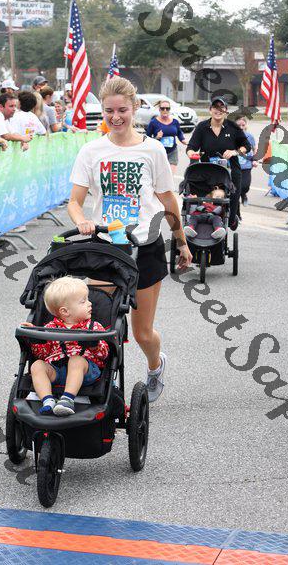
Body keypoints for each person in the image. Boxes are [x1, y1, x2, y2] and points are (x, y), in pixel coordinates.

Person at [67, 76, 192, 403]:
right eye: (109, 111)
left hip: (145, 245)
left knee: (142, 333)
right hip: (106, 245)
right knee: (99, 323)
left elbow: (167, 200)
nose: (116, 117)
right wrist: (81, 221)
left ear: (134, 108)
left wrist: (181, 241)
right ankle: (98, 383)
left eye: (122, 110)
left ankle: (155, 366)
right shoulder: (92, 150)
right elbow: (75, 202)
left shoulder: (152, 150)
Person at [22, 277, 109, 416]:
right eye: (83, 301)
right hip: (57, 370)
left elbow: (105, 354)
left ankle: (67, 399)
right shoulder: (50, 328)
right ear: (65, 311)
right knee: (37, 365)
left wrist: (95, 345)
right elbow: (42, 354)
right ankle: (47, 400)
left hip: (86, 371)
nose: (90, 303)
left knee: (76, 360)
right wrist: (36, 339)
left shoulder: (93, 327)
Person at [186, 97, 251, 230]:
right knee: (204, 199)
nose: (218, 110)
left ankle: (232, 218)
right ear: (210, 110)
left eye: (222, 107)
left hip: (230, 171)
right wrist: (192, 154)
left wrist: (234, 152)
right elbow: (191, 147)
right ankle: (202, 222)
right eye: (215, 107)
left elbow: (247, 146)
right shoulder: (202, 127)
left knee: (232, 199)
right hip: (208, 171)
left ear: (226, 110)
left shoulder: (232, 127)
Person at [146, 99, 188, 174]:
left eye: (167, 108)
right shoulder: (153, 122)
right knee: (161, 175)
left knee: (170, 175)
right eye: (162, 108)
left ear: (169, 109)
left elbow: (179, 133)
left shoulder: (175, 122)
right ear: (159, 109)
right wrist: (157, 137)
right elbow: (147, 138)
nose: (165, 110)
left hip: (172, 151)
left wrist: (183, 140)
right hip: (159, 152)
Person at [235, 116, 258, 207]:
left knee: (245, 186)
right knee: (236, 187)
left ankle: (243, 195)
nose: (241, 127)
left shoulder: (249, 136)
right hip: (234, 165)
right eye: (238, 125)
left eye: (243, 125)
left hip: (247, 165)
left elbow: (254, 149)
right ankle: (236, 204)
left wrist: (255, 160)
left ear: (246, 125)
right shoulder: (231, 136)